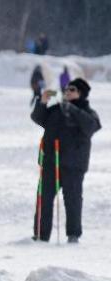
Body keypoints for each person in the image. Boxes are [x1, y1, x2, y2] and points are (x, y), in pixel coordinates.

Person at [31, 78, 101, 243]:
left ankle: (73, 234)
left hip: (74, 165)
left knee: (73, 200)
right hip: (51, 162)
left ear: (80, 94)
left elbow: (92, 127)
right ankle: (41, 234)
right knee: (44, 197)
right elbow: (38, 118)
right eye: (66, 89)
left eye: (72, 90)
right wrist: (42, 102)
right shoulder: (57, 109)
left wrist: (72, 109)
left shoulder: (87, 112)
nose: (67, 92)